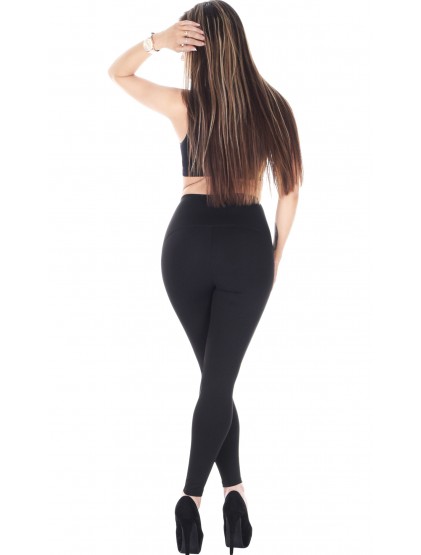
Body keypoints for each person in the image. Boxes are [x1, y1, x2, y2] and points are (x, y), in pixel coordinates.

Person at [108, 1, 302, 553]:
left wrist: (156, 40)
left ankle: (230, 492)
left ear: (195, 50)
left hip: (185, 247)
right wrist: (274, 256)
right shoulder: (274, 109)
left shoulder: (186, 104)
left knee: (215, 381)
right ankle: (194, 496)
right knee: (218, 383)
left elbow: (118, 73)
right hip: (246, 247)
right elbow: (289, 192)